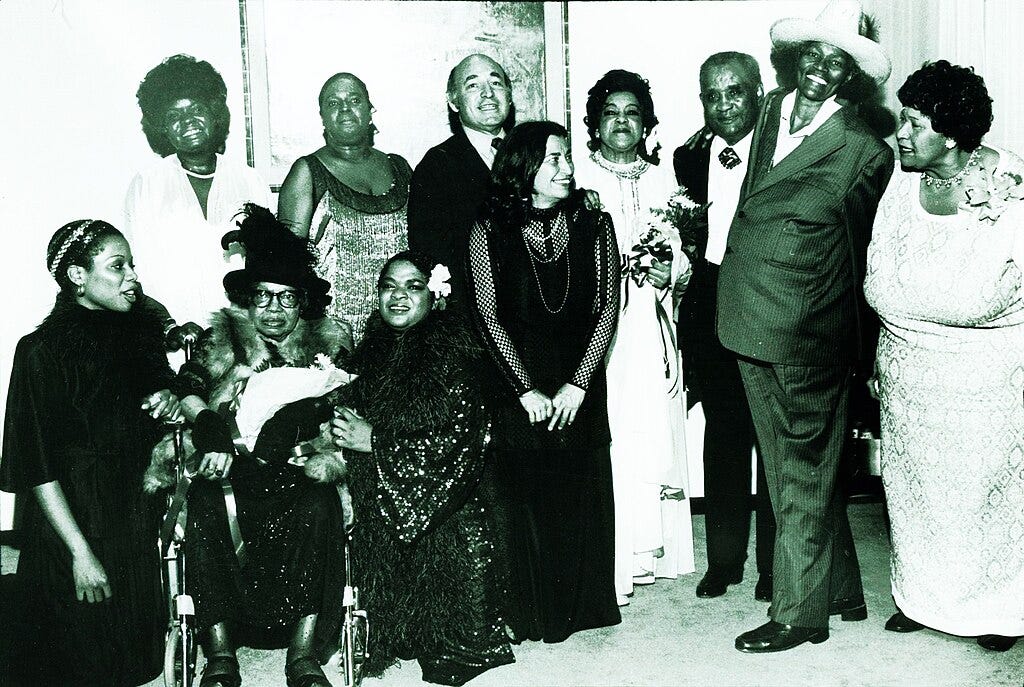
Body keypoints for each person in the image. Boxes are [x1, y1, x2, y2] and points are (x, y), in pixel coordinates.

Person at [717, 0, 894, 653]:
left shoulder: (864, 152)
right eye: (813, 54)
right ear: (796, 58)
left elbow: (862, 253)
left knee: (799, 473)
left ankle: (799, 615)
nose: (821, 68)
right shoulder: (769, 109)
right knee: (792, 464)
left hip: (808, 333)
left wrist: (855, 349)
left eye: (837, 61)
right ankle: (839, 588)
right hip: (746, 316)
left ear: (852, 75)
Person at [864, 61, 1024, 653]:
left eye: (914, 123)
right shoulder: (903, 182)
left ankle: (996, 609)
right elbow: (880, 268)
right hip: (907, 373)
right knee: (915, 493)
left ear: (952, 134)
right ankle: (922, 598)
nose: (901, 133)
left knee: (985, 498)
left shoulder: (1010, 184)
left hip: (985, 377)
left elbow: (997, 290)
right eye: (902, 119)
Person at [157, 205, 352, 687]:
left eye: (287, 298)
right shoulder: (224, 337)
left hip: (298, 465)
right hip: (232, 464)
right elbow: (188, 384)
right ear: (248, 299)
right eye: (263, 296)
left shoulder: (327, 341)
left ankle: (303, 654)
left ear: (303, 302)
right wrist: (209, 425)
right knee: (205, 500)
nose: (273, 309)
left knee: (319, 503)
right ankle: (220, 655)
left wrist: (300, 412)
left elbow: (350, 394)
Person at [1, 220, 181, 685]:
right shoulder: (40, 351)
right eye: (117, 266)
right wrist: (80, 554)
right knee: (77, 666)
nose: (132, 276)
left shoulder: (139, 339)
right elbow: (36, 467)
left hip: (130, 517)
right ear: (77, 276)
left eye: (132, 265)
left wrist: (169, 400)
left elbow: (153, 415)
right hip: (72, 524)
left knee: (139, 664)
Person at [466, 120, 621, 643]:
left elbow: (606, 308)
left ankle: (584, 609)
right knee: (526, 497)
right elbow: (487, 316)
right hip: (518, 380)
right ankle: (531, 613)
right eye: (554, 158)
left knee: (579, 491)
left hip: (580, 377)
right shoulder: (488, 230)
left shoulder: (595, 224)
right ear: (524, 166)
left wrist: (579, 384)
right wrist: (525, 389)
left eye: (568, 157)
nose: (567, 167)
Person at [329, 251, 515, 685]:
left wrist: (374, 440)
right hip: (384, 502)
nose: (398, 296)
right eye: (388, 286)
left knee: (450, 631)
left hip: (448, 506)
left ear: (435, 296)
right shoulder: (370, 352)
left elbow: (458, 445)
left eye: (413, 286)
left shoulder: (453, 354)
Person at [573, 69, 694, 606]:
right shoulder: (576, 176)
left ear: (646, 124)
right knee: (614, 430)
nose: (621, 122)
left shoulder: (665, 181)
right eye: (610, 113)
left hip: (651, 317)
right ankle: (614, 553)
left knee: (650, 423)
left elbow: (683, 253)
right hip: (600, 325)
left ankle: (651, 550)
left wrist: (672, 272)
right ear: (595, 123)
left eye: (632, 113)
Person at [673, 52, 776, 602]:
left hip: (766, 300)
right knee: (723, 436)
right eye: (712, 95)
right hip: (711, 304)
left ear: (759, 92)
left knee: (772, 439)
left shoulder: (782, 150)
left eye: (735, 91)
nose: (724, 105)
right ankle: (724, 561)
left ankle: (775, 566)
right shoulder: (687, 157)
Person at [126, 54, 271, 330]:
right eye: (174, 116)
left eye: (196, 110)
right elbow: (139, 272)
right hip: (175, 335)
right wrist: (169, 327)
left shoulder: (250, 181)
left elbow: (267, 266)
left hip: (242, 335)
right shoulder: (147, 184)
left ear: (214, 113)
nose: (187, 121)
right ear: (162, 127)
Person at [278, 72, 411, 340]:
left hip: (401, 327)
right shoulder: (307, 172)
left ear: (370, 110)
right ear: (322, 117)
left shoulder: (400, 167)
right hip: (335, 335)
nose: (345, 109)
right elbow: (286, 267)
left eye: (354, 100)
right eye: (333, 103)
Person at [408, 53, 515, 306]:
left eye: (496, 83)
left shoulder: (536, 152)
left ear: (509, 96)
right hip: (472, 312)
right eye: (473, 85)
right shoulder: (437, 165)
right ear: (454, 102)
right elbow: (429, 254)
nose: (488, 93)